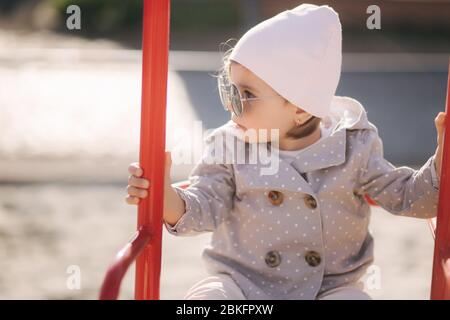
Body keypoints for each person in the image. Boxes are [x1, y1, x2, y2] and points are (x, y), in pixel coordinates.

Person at [125, 3, 446, 299]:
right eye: (229, 90)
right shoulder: (230, 145)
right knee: (204, 301)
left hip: (329, 288)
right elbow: (204, 205)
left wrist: (442, 159)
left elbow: (409, 197)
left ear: (301, 109)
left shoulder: (354, 147)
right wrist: (162, 193)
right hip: (240, 283)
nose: (230, 107)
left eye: (246, 95)